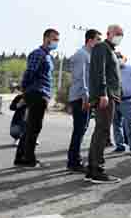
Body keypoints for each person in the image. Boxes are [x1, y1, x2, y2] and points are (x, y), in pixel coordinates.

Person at [14, 28, 59, 169]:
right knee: (34, 127)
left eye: (57, 40)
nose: (56, 42)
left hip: (41, 94)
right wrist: (25, 92)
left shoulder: (47, 56)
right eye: (54, 39)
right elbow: (29, 73)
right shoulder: (38, 54)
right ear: (46, 38)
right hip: (36, 94)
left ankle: (21, 157)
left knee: (30, 126)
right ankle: (28, 159)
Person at [87, 24, 124, 184]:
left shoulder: (110, 51)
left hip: (110, 95)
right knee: (102, 131)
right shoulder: (102, 47)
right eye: (117, 33)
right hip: (106, 95)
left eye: (121, 34)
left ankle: (92, 169)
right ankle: (97, 170)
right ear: (109, 34)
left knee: (101, 131)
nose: (119, 36)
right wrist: (103, 93)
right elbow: (99, 71)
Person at [66, 29, 102, 173]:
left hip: (85, 97)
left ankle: (75, 160)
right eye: (98, 39)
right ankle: (73, 162)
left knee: (81, 129)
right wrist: (86, 97)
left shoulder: (89, 55)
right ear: (90, 40)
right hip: (81, 98)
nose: (100, 42)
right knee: (79, 130)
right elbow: (80, 78)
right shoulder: (82, 55)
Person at [113, 53, 131, 156]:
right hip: (115, 100)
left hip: (127, 100)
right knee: (116, 124)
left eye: (120, 57)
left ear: (124, 58)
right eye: (116, 57)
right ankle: (120, 145)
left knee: (130, 124)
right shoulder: (112, 69)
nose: (118, 59)